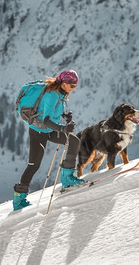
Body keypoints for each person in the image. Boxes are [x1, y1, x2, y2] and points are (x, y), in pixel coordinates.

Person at [13, 69, 84, 210]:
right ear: (63, 82)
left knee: (74, 141)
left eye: (75, 85)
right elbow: (46, 120)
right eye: (72, 84)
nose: (73, 88)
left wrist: (65, 117)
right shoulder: (52, 94)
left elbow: (51, 113)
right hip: (38, 132)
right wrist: (63, 129)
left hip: (50, 130)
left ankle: (67, 179)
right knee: (34, 165)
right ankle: (18, 199)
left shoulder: (61, 93)